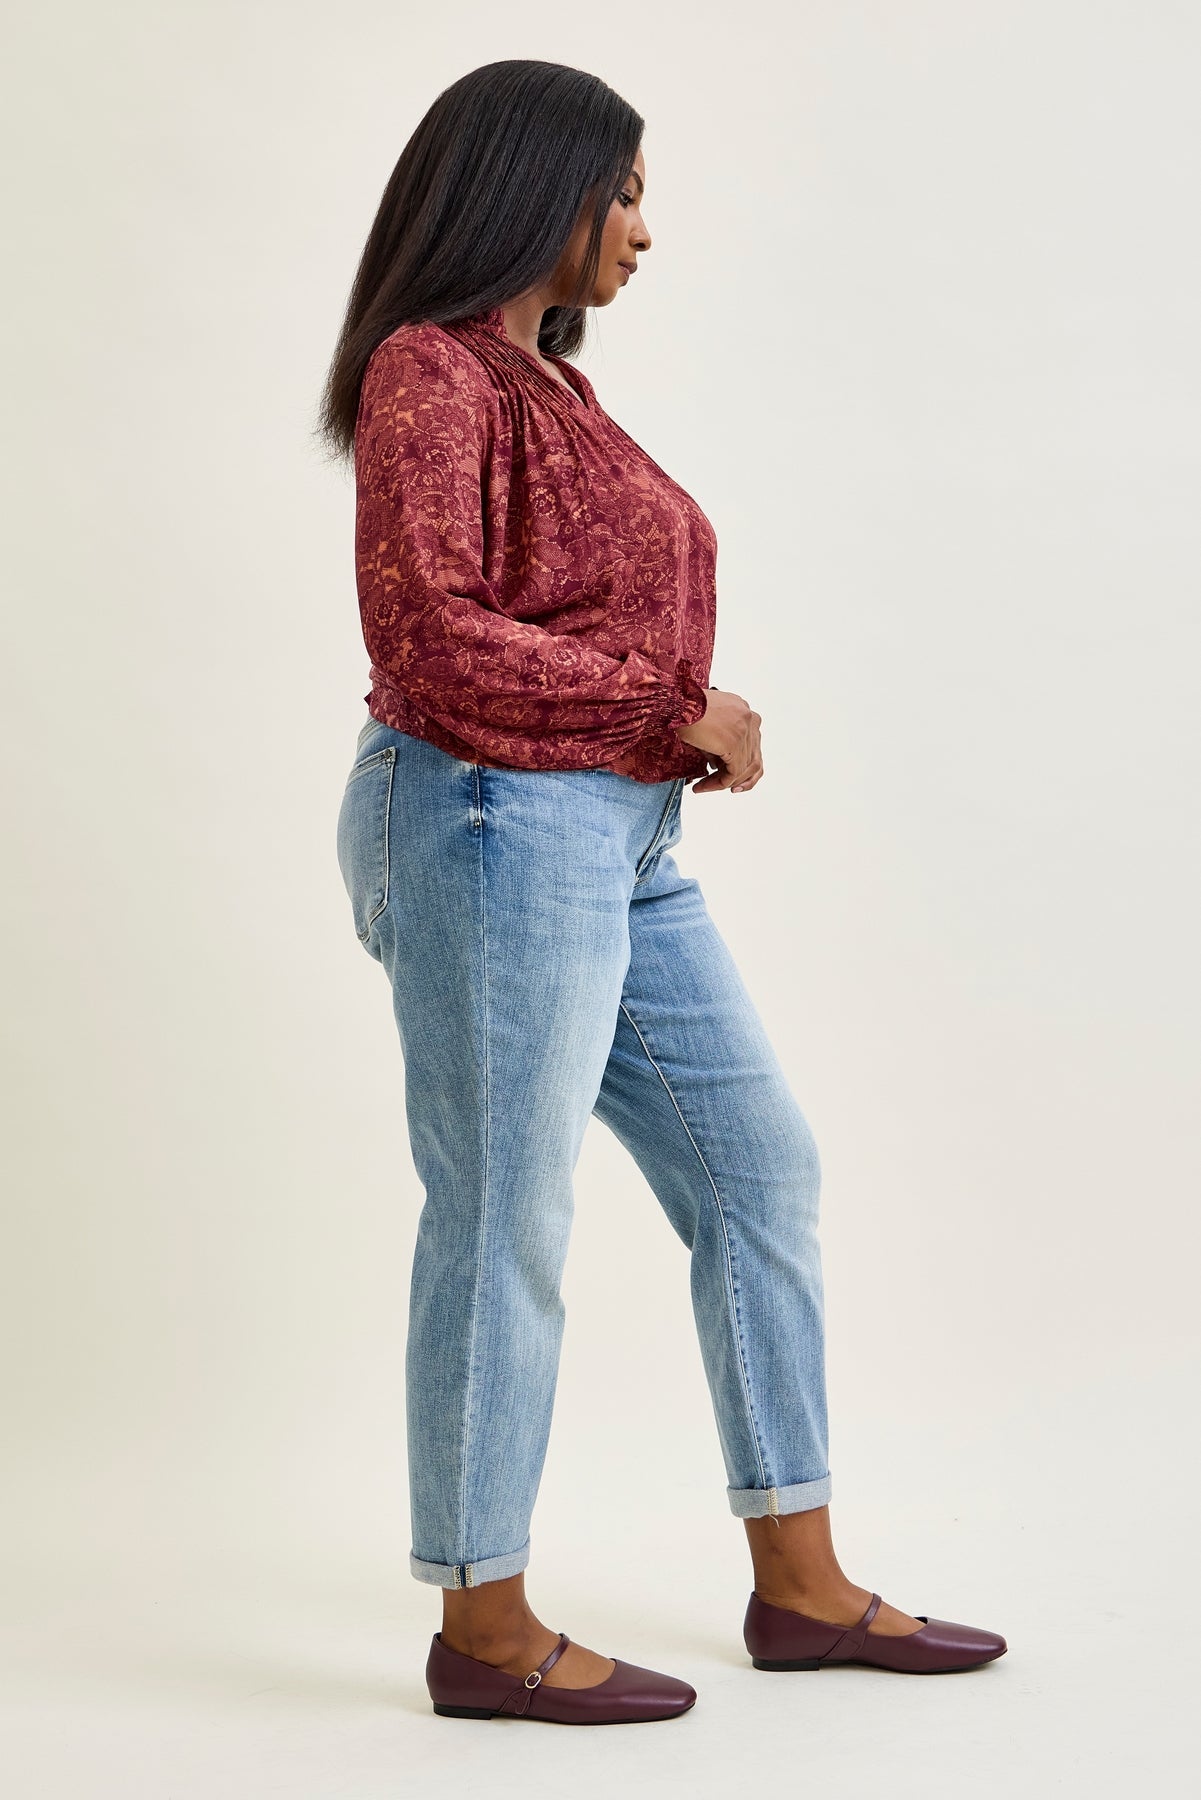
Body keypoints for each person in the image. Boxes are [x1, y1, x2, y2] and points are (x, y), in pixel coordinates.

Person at [318, 59, 1007, 1726]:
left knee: (757, 1168)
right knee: (504, 1208)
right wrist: (670, 707)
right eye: (620, 190)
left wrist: (660, 728)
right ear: (528, 186)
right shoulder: (430, 369)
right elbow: (427, 635)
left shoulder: (547, 387)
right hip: (487, 816)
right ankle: (482, 1627)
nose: (643, 227)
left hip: (611, 839)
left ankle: (801, 1587)